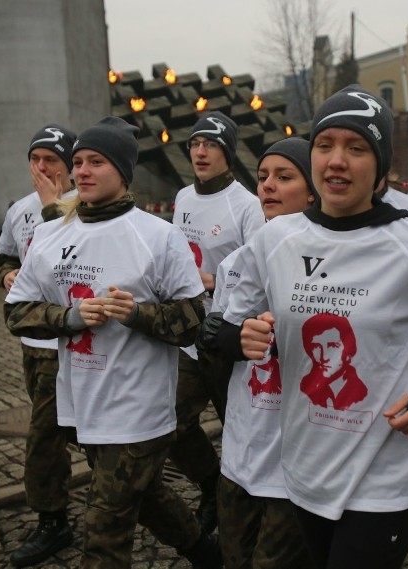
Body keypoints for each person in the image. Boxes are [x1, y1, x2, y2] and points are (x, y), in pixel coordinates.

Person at [202, 85, 408, 569]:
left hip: (384, 477)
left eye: (356, 148)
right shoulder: (276, 239)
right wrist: (239, 337)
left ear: (380, 166)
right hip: (303, 469)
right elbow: (225, 323)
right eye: (325, 145)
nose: (337, 160)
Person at [3, 117, 221, 569]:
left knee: (105, 527)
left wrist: (136, 314)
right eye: (78, 161)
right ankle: (207, 552)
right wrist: (69, 317)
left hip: (138, 410)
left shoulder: (158, 236)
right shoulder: (51, 234)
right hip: (81, 404)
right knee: (146, 496)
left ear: (123, 171)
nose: (81, 171)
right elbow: (16, 312)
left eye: (95, 162)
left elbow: (195, 322)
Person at [203, 137, 317, 569]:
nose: (267, 185)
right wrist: (220, 339)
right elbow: (219, 349)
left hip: (296, 455)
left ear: (312, 192)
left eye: (284, 177)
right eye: (263, 176)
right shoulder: (234, 265)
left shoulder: (333, 260)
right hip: (242, 446)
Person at [170, 111, 266, 533]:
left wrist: (215, 280)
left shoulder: (247, 205)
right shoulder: (182, 198)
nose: (201, 151)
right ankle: (210, 485)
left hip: (229, 336)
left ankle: (253, 508)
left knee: (241, 431)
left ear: (227, 151)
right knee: (171, 422)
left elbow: (262, 266)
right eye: (195, 144)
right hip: (190, 336)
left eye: (211, 144)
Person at [0, 123, 78, 567]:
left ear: (69, 166)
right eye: (35, 159)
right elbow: (5, 256)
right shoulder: (19, 210)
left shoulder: (86, 207)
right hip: (32, 338)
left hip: (74, 338)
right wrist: (6, 274)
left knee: (46, 432)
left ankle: (52, 518)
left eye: (52, 160)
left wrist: (55, 210)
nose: (41, 168)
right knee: (57, 426)